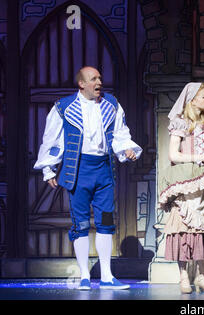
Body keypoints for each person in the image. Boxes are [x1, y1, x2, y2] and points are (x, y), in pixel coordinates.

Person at [34, 66, 142, 290]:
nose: (99, 82)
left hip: (103, 170)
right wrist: (48, 169)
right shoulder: (64, 107)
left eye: (100, 78)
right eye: (93, 79)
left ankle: (106, 276)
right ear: (81, 84)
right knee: (81, 223)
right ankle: (84, 275)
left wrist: (127, 150)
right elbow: (51, 139)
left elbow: (121, 133)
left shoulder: (111, 104)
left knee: (105, 222)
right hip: (78, 170)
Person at [158, 82, 204, 294]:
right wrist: (201, 157)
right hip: (186, 181)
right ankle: (183, 277)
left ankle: (200, 276)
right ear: (192, 100)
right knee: (183, 229)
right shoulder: (180, 123)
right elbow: (174, 155)